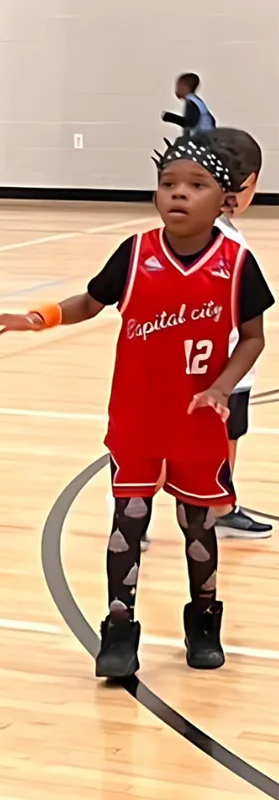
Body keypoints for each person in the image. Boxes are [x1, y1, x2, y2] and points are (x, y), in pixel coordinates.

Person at [0, 134, 272, 678]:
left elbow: (253, 337)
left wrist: (221, 387)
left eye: (195, 186)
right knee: (128, 522)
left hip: (198, 425)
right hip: (137, 419)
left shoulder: (237, 264)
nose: (178, 195)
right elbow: (90, 301)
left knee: (199, 526)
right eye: (168, 185)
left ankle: (204, 621)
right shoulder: (136, 254)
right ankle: (119, 630)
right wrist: (40, 316)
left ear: (225, 200)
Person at [205, 127, 271, 537]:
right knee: (176, 444)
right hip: (217, 365)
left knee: (230, 434)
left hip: (232, 367)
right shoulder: (217, 238)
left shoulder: (221, 230)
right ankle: (129, 511)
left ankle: (221, 505)